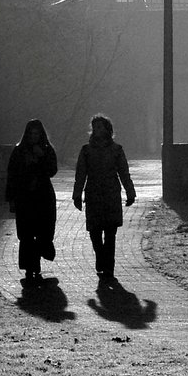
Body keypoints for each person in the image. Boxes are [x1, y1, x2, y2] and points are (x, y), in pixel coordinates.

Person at [73, 114, 136, 279]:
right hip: (93, 194)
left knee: (110, 233)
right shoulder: (86, 151)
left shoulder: (116, 150)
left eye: (100, 127)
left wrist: (130, 192)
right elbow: (81, 174)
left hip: (110, 195)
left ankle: (109, 266)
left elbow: (124, 172)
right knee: (94, 232)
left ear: (108, 130)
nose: (97, 130)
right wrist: (77, 195)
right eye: (95, 127)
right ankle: (101, 257)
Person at [6, 119, 58, 285]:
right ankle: (31, 268)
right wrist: (11, 199)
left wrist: (41, 157)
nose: (34, 136)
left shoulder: (47, 150)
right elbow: (12, 175)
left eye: (37, 133)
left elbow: (52, 171)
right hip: (25, 198)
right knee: (27, 234)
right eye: (31, 133)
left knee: (43, 231)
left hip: (43, 198)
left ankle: (39, 259)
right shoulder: (19, 151)